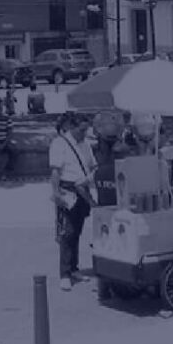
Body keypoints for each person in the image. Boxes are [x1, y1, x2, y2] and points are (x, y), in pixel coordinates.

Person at [49, 112, 97, 291]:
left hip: (83, 189)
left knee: (77, 231)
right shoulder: (59, 143)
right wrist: (56, 193)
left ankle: (74, 268)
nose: (84, 133)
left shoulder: (86, 144)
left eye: (86, 130)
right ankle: (65, 273)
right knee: (66, 233)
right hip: (67, 189)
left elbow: (92, 165)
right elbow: (55, 171)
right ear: (72, 127)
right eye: (81, 130)